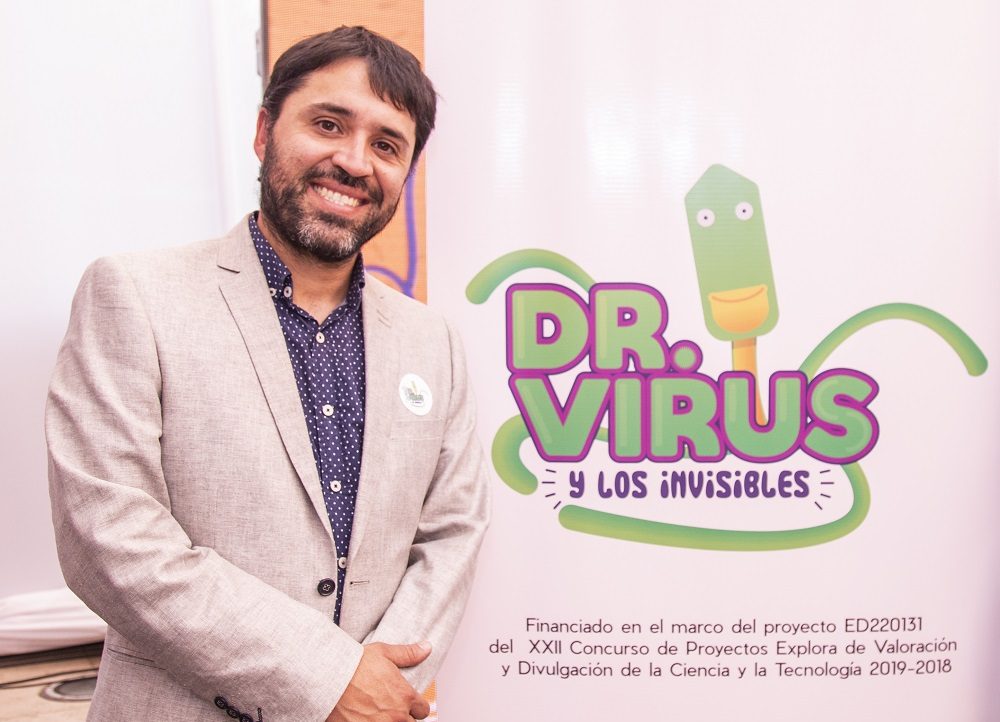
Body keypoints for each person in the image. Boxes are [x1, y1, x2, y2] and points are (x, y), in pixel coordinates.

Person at [46, 26, 489, 722]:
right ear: (263, 132)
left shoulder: (433, 341)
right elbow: (109, 538)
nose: (354, 161)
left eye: (386, 145)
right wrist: (326, 683)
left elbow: (451, 534)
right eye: (328, 124)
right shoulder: (135, 295)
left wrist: (379, 689)